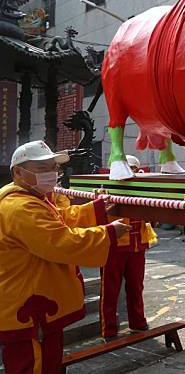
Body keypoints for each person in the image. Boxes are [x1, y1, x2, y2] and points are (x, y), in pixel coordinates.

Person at [0, 140, 131, 374]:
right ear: (18, 172)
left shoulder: (30, 198)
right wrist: (109, 233)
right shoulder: (20, 207)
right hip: (30, 309)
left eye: (53, 167)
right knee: (35, 365)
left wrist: (95, 210)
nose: (51, 173)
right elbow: (61, 242)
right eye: (42, 168)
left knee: (49, 362)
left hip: (34, 302)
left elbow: (59, 218)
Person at [100, 155, 158, 340]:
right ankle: (108, 330)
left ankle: (138, 322)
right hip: (113, 247)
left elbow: (151, 217)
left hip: (137, 247)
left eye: (133, 168)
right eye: (128, 168)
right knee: (110, 290)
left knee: (136, 287)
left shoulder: (142, 189)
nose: (130, 172)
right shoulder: (107, 189)